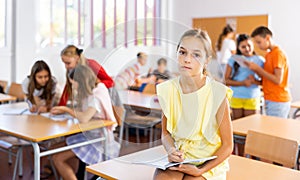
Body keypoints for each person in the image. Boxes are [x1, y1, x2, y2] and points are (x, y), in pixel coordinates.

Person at [154, 29, 233, 180]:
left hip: (209, 162)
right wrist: (171, 150)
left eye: (196, 55)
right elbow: (165, 133)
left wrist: (200, 170)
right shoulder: (168, 89)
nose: (187, 59)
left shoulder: (217, 93)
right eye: (182, 52)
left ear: (207, 60)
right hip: (181, 159)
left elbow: (228, 146)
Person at [51, 65, 119, 180]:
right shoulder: (92, 91)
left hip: (98, 140)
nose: (73, 86)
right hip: (89, 134)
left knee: (57, 158)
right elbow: (84, 113)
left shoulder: (96, 95)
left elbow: (84, 118)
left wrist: (66, 109)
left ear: (81, 82)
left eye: (74, 83)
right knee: (53, 149)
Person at [245, 26, 291, 118]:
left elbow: (278, 80)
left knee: (275, 131)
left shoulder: (277, 54)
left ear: (268, 38)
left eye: (259, 42)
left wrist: (258, 69)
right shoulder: (269, 54)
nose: (258, 46)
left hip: (278, 100)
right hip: (270, 99)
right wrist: (255, 80)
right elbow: (268, 79)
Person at [224, 34, 264, 120]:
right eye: (243, 47)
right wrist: (243, 83)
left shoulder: (260, 60)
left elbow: (265, 82)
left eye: (249, 45)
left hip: (252, 97)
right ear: (238, 47)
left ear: (253, 45)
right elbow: (226, 81)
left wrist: (254, 81)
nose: (247, 49)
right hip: (236, 97)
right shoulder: (233, 59)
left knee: (251, 127)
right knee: (238, 126)